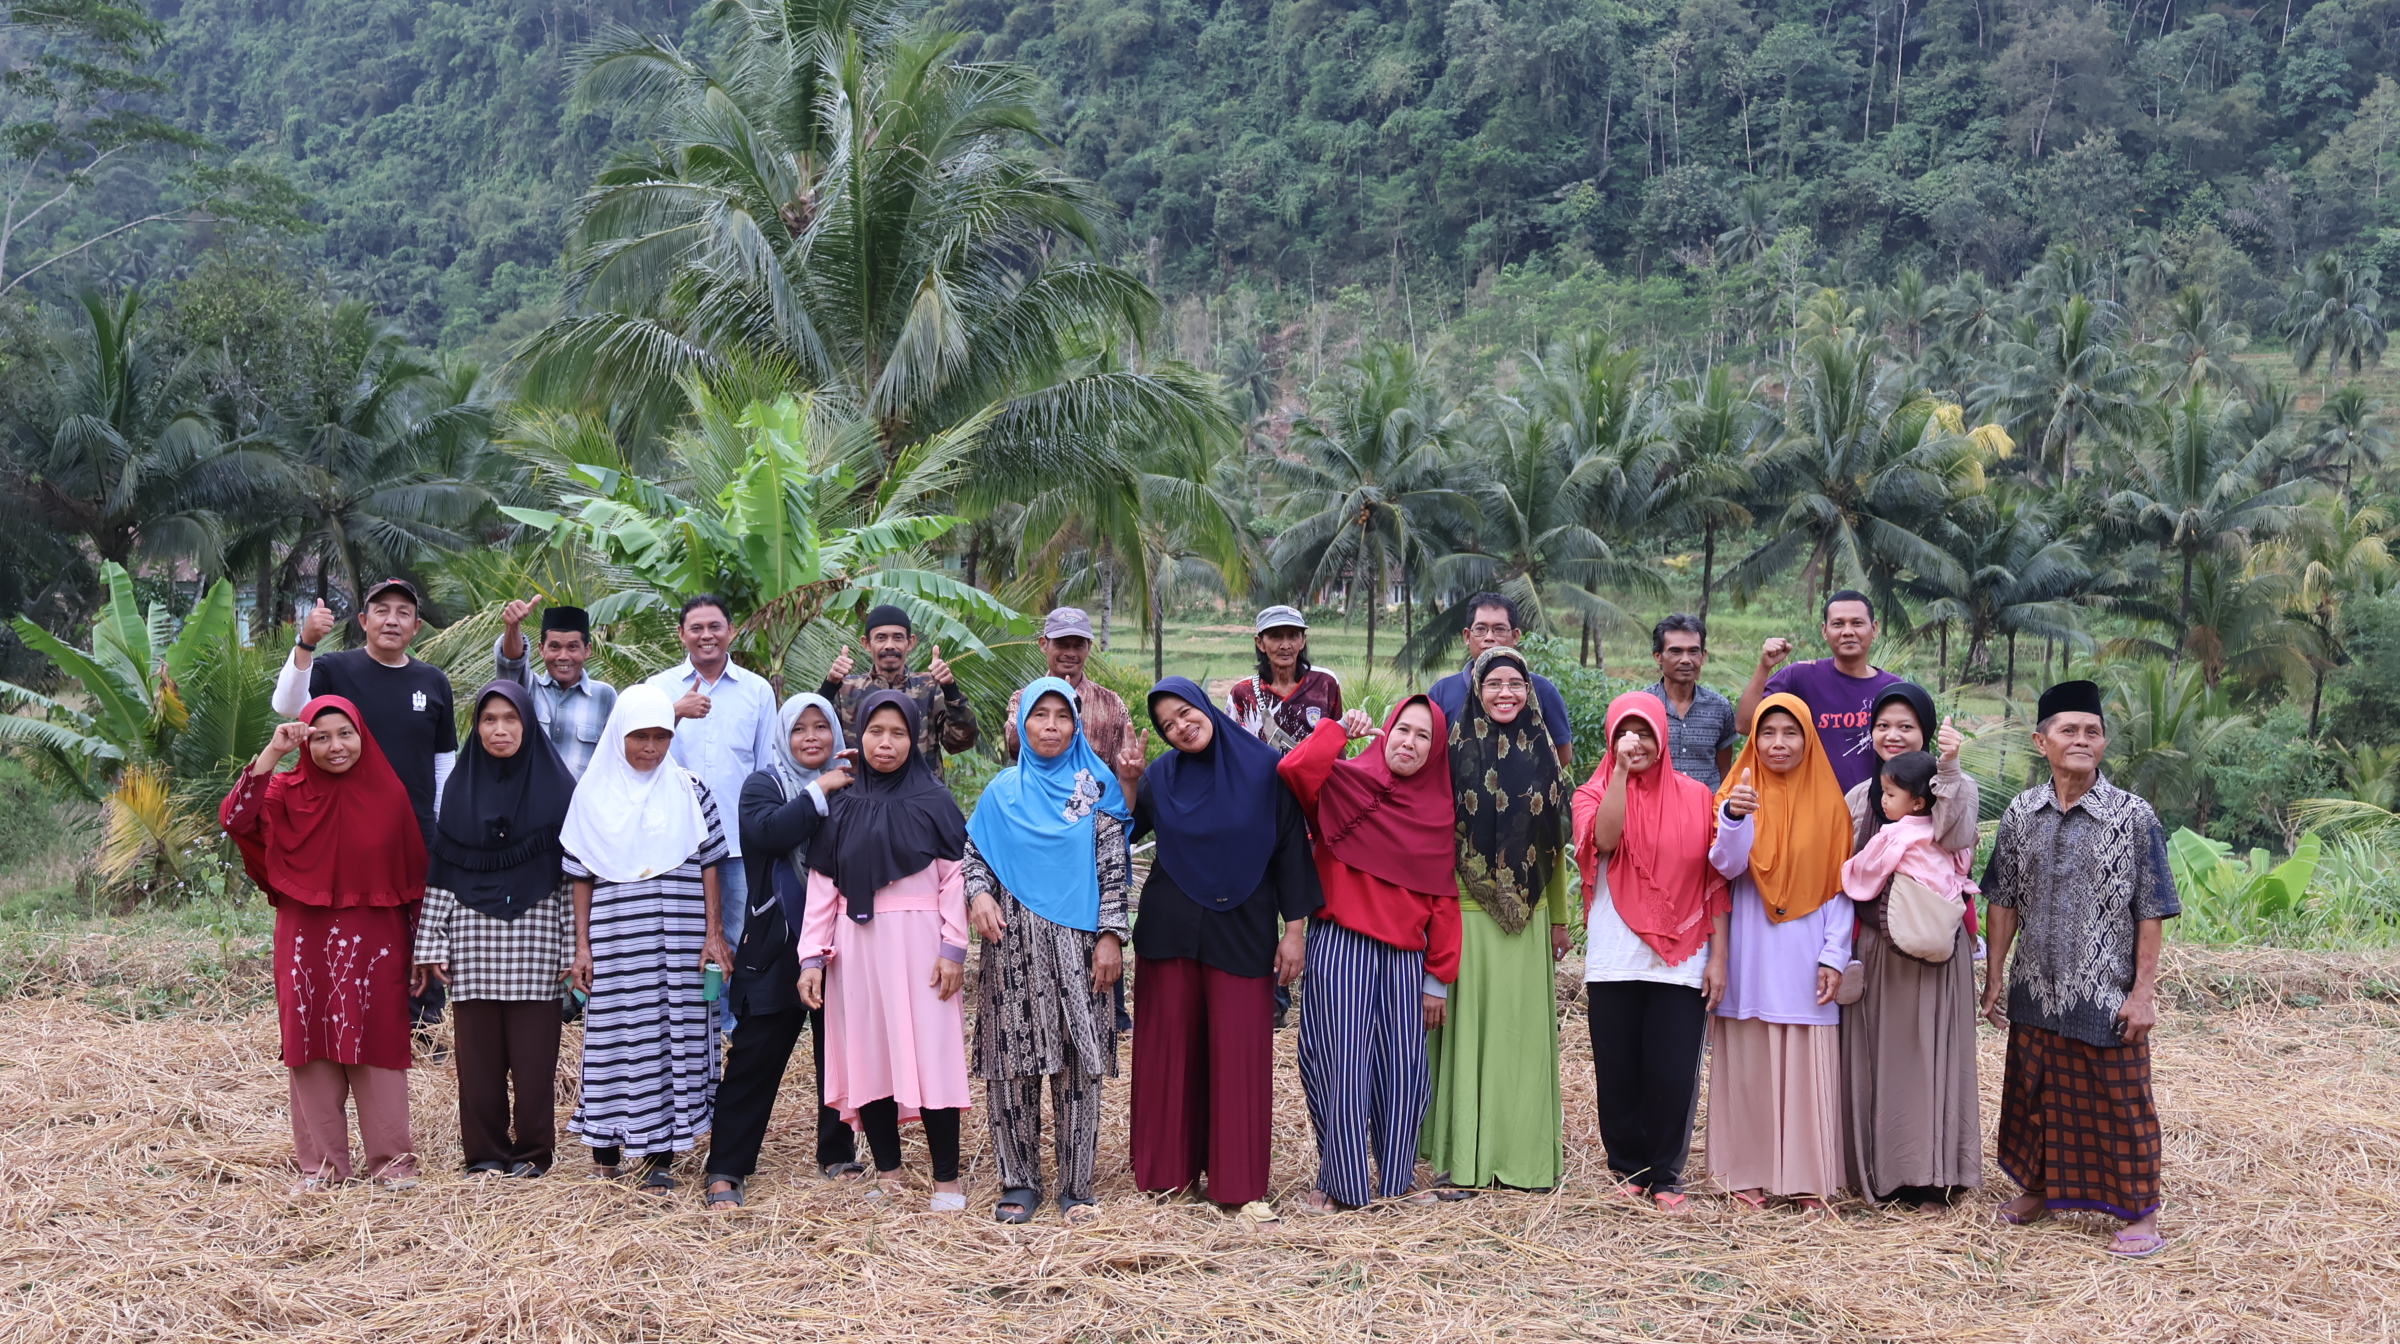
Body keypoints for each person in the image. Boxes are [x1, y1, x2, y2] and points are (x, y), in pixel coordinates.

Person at [1981, 680, 2180, 1259]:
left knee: (2121, 1102)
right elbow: (2002, 900)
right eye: (2068, 730)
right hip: (2035, 989)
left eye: (2092, 731)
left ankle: (2140, 1213)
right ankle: (2038, 1190)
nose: (2082, 740)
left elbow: (2152, 909)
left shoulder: (2133, 816)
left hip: (2104, 990)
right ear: (2041, 741)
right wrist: (1995, 975)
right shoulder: (2021, 812)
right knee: (2034, 1093)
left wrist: (2143, 993)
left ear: (2104, 743)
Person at [1130, 676, 1323, 1227]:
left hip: (1242, 929)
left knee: (1239, 1055)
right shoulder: (1160, 776)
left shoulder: (1264, 770)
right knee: (1170, 1052)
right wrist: (1127, 780)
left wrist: (1294, 931)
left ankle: (1238, 1187)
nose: (1180, 727)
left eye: (1185, 713)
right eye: (1167, 725)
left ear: (1204, 706)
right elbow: (1122, 830)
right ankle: (1169, 1177)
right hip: (1170, 931)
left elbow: (1291, 850)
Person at [220, 695, 425, 1192]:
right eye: (322, 737)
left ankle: (392, 1165)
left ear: (362, 736)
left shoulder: (389, 794)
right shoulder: (284, 793)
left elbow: (414, 876)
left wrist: (422, 945)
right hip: (304, 937)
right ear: (305, 744)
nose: (336, 746)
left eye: (345, 734)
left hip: (377, 937)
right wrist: (273, 753)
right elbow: (235, 819)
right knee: (310, 1042)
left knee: (378, 1041)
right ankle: (323, 1169)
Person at [1278, 696, 1459, 1213]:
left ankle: (1397, 1180)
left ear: (1435, 749)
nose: (1410, 743)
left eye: (1423, 736)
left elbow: (1443, 900)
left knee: (1404, 1070)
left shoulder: (1437, 812)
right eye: (1403, 730)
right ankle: (1340, 1182)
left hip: (1404, 959)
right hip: (1341, 946)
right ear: (1386, 731)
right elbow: (1293, 769)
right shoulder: (1345, 781)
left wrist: (1438, 979)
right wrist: (1338, 731)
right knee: (1340, 1064)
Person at [963, 677, 1133, 1223]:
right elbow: (973, 857)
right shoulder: (1001, 793)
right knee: (1011, 1067)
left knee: (1079, 1068)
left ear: (1077, 725)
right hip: (1012, 948)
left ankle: (1076, 1186)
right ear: (1023, 724)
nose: (1052, 726)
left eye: (1063, 716)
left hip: (1081, 952)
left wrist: (1111, 937)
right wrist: (978, 894)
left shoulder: (1095, 790)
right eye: (1041, 715)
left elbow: (1114, 873)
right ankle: (1019, 1182)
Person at [798, 691, 974, 1211]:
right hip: (856, 947)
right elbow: (822, 888)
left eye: (898, 733)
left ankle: (946, 1182)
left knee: (933, 1053)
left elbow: (955, 879)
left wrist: (953, 948)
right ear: (860, 736)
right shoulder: (841, 804)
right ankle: (889, 1175)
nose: (885, 743)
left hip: (922, 945)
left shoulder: (936, 800)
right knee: (868, 1055)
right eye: (876, 731)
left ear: (914, 738)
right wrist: (812, 957)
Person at [561, 685, 734, 1189]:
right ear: (619, 734)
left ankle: (660, 1158)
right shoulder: (591, 795)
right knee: (620, 1036)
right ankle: (606, 1151)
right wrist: (582, 947)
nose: (651, 747)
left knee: (674, 1036)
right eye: (640, 736)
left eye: (662, 736)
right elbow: (580, 876)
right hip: (618, 941)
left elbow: (711, 863)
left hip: (681, 938)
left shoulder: (691, 790)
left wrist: (714, 933)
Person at [1571, 692, 1730, 1214]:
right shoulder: (1591, 793)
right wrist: (1618, 773)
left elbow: (1715, 882)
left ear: (1662, 737)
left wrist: (1719, 958)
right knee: (1618, 1070)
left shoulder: (1696, 797)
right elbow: (1606, 840)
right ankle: (1629, 1169)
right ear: (1610, 738)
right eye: (1623, 732)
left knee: (1672, 1072)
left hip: (1680, 959)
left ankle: (1666, 1175)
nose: (1633, 742)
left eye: (1643, 732)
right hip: (1614, 958)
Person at [701, 693, 861, 1210]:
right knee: (755, 1055)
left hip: (839, 941)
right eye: (799, 729)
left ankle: (837, 1153)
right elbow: (768, 833)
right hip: (776, 944)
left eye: (821, 726)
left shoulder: (853, 785)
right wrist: (820, 789)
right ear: (783, 735)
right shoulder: (763, 785)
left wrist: (846, 782)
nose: (811, 737)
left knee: (838, 1053)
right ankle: (726, 1167)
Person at [274, 579, 456, 1033]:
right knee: (361, 924)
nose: (392, 620)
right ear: (363, 621)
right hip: (346, 829)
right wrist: (306, 643)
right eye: (382, 610)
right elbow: (288, 705)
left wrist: (444, 825)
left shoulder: (433, 682)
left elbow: (443, 761)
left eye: (403, 612)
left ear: (416, 626)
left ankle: (423, 1027)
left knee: (419, 925)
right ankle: (357, 1018)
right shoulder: (334, 669)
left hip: (415, 827)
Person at [411, 681, 576, 1179]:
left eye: (510, 719)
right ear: (476, 728)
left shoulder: (561, 792)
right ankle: (484, 1153)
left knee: (534, 1063)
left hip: (538, 943)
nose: (499, 729)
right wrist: (430, 943)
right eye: (488, 719)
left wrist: (575, 948)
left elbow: (571, 881)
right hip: (473, 944)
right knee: (477, 1065)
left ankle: (532, 1154)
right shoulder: (458, 791)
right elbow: (442, 873)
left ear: (528, 725)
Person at [1422, 647, 1571, 1194]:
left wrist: (1559, 919)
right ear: (1476, 690)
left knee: (1519, 1039)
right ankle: (1463, 1161)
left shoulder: (1544, 755)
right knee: (1470, 1038)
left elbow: (1553, 846)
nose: (1505, 693)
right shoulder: (1452, 752)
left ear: (1529, 691)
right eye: (1493, 684)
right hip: (1466, 913)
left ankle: (1523, 1160)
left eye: (1515, 683)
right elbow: (1435, 839)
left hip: (1528, 919)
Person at [1836, 682, 1984, 1208]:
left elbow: (1957, 837)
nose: (1893, 735)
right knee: (1883, 1057)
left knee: (1931, 1055)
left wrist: (1950, 771)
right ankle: (1883, 1170)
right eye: (1883, 726)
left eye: (1906, 726)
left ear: (1926, 732)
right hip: (1880, 949)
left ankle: (1934, 1173)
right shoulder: (1862, 795)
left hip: (1935, 948)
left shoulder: (1954, 790)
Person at [1707, 692, 1855, 1210]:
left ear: (1808, 738)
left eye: (1791, 732)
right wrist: (1734, 817)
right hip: (1750, 946)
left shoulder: (1831, 804)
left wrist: (1834, 954)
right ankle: (1742, 1173)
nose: (1778, 743)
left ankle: (1808, 1179)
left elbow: (1841, 887)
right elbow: (1725, 866)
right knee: (1749, 1057)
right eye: (1767, 733)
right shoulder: (1736, 792)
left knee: (1805, 1059)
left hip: (1806, 950)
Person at [643, 594, 779, 1026]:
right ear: (681, 634)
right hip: (674, 843)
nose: (707, 636)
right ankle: (686, 1028)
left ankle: (729, 1030)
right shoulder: (657, 689)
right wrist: (673, 713)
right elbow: (637, 753)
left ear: (731, 632)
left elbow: (766, 768)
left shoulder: (756, 691)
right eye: (696, 628)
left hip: (738, 845)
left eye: (715, 626)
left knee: (736, 938)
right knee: (679, 938)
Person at [1733, 590, 1902, 794]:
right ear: (1824, 631)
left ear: (1874, 629)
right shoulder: (1799, 677)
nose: (1848, 631)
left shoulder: (1894, 689)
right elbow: (1745, 725)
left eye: (1857, 623)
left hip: (1876, 805)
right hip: (1813, 805)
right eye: (1838, 624)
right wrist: (1764, 667)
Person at [817, 603, 982, 777]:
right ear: (867, 643)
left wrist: (950, 688)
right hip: (861, 791)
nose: (889, 645)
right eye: (881, 638)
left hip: (921, 791)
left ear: (910, 643)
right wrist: (830, 685)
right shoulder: (845, 689)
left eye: (897, 637)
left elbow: (961, 743)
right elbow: (813, 736)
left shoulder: (931, 687)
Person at [1002, 608, 1147, 798]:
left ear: (1089, 648)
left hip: (1093, 810)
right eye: (1062, 644)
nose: (1070, 653)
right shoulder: (1023, 699)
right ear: (1044, 644)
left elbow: (1125, 774)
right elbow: (1014, 746)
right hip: (1035, 806)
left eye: (1078, 646)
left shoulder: (1112, 705)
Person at [1427, 593, 1575, 770]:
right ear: (1467, 636)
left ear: (1515, 636)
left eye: (1499, 629)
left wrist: (1529, 779)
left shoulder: (1542, 691)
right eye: (1480, 629)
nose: (1489, 637)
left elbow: (1563, 753)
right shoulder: (1441, 693)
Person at [493, 600, 618, 778]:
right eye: (554, 647)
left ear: (587, 650)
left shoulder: (605, 696)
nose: (563, 656)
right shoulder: (527, 687)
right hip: (529, 796)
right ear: (541, 649)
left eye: (572, 647)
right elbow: (512, 663)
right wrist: (513, 626)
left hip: (579, 797)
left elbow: (614, 758)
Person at [1226, 605, 1344, 751]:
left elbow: (1337, 743)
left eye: (1293, 635)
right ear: (1260, 643)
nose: (1285, 645)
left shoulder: (1325, 683)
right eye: (1275, 636)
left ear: (1303, 641)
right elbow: (1231, 746)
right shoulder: (1242, 692)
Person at [1647, 614, 1741, 788]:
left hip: (1707, 803)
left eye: (1693, 651)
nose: (1686, 660)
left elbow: (1725, 771)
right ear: (1658, 656)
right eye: (1676, 651)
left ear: (1703, 656)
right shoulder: (1643, 707)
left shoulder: (1720, 708)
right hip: (1657, 804)